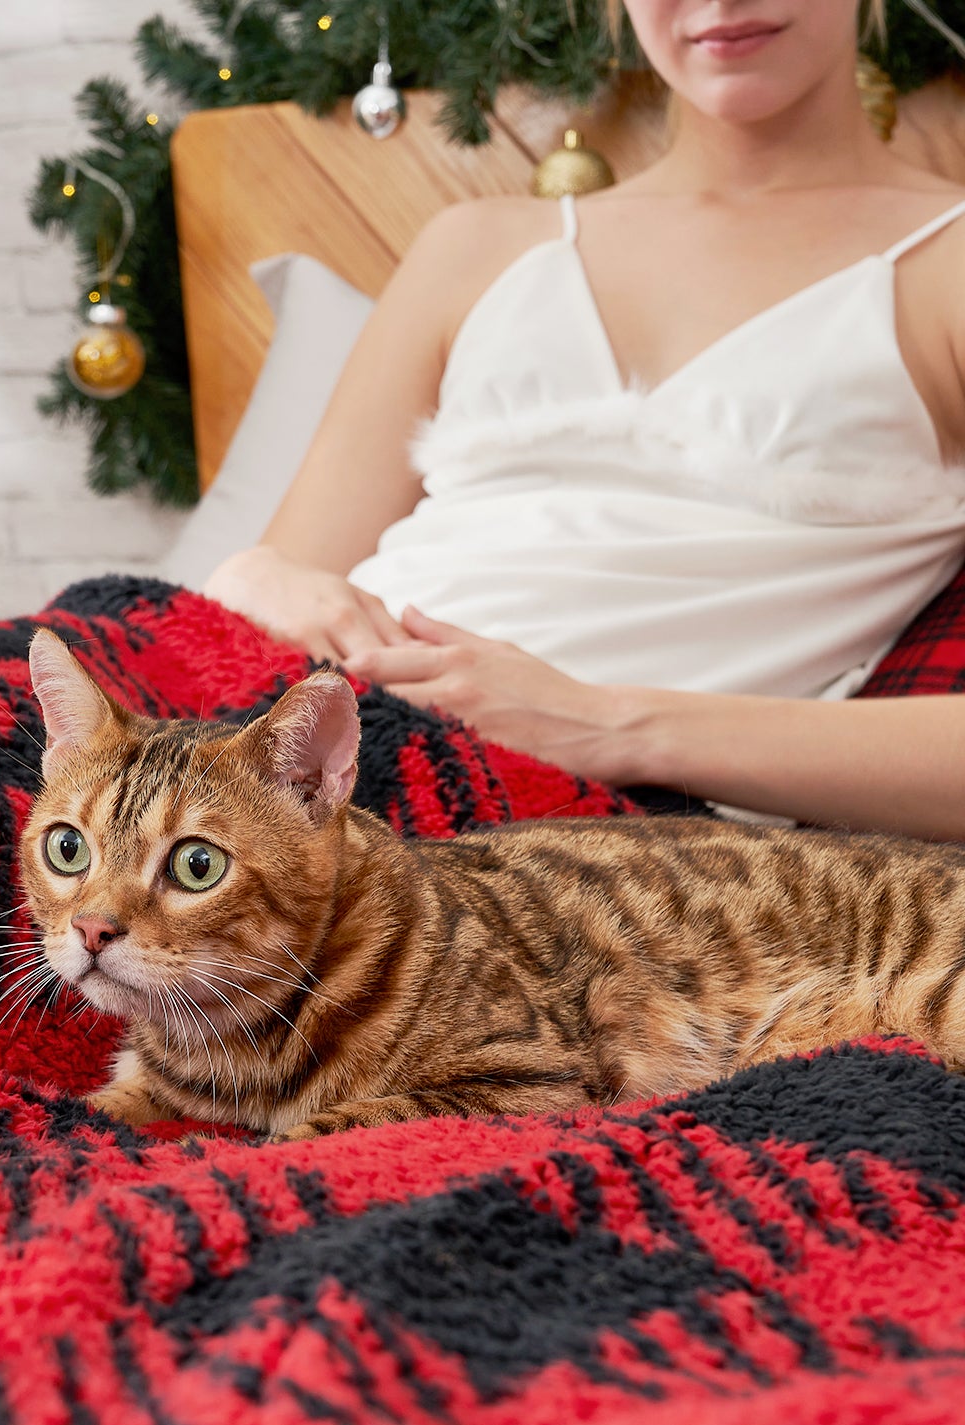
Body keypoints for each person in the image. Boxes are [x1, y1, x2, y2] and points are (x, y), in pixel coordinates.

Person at [203, 0, 965, 841]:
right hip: (289, 757)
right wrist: (253, 577)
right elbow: (270, 586)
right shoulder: (473, 246)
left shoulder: (946, 263)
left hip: (581, 836)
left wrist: (606, 724)